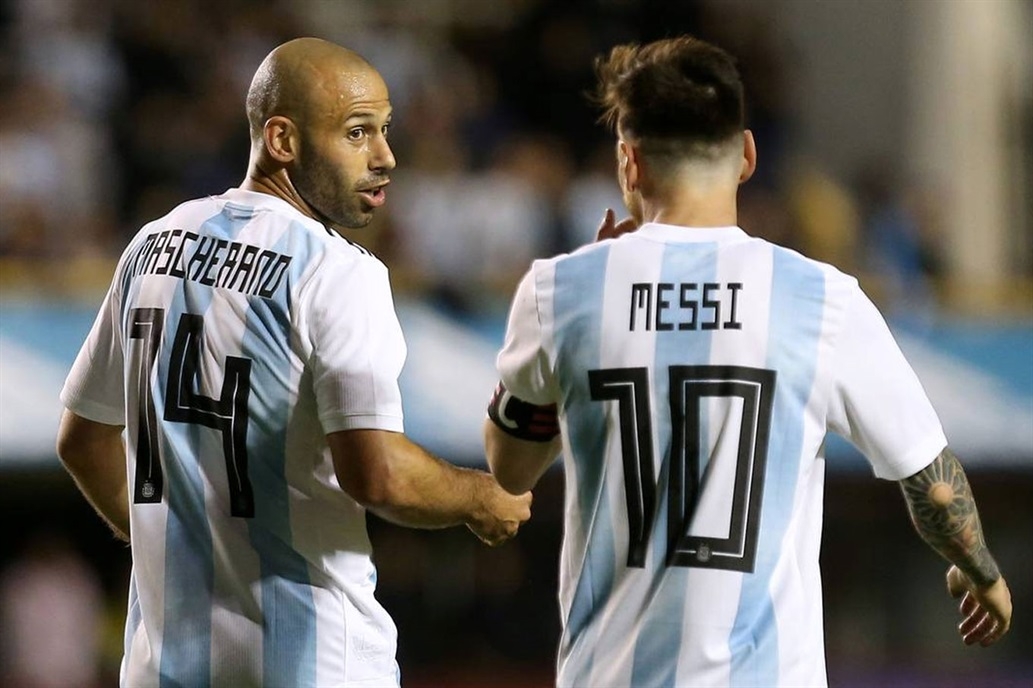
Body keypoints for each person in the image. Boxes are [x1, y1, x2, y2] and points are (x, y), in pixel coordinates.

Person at [483, 36, 1011, 688]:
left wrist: (573, 341)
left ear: (628, 163)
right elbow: (933, 485)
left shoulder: (559, 291)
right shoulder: (823, 299)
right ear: (747, 156)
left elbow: (510, 469)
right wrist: (981, 572)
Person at [56, 37, 531, 688]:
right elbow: (379, 474)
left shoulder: (152, 244)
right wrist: (480, 498)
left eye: (385, 130)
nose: (385, 157)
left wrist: (167, 543)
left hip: (161, 667)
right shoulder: (336, 272)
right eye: (357, 132)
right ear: (281, 139)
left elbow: (82, 440)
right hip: (311, 663)